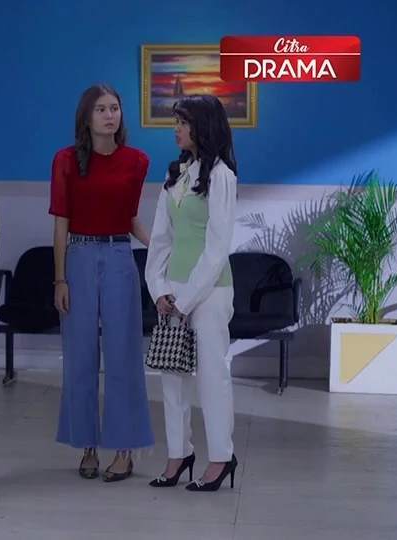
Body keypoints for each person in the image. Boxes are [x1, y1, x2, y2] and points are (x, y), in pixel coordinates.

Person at [49, 84, 154, 482]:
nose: (110, 115)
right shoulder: (65, 160)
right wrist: (59, 279)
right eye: (101, 109)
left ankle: (125, 449)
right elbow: (60, 223)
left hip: (118, 256)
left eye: (115, 108)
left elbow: (130, 218)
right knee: (80, 358)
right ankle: (87, 446)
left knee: (123, 356)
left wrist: (161, 248)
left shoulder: (137, 161)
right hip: (77, 258)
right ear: (86, 117)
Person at [144, 94, 239, 492]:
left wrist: (185, 301)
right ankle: (178, 454)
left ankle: (220, 457)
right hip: (174, 290)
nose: (176, 129)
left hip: (210, 292)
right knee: (171, 375)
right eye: (176, 122)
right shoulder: (177, 176)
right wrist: (160, 289)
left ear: (203, 126)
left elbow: (217, 248)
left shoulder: (221, 177)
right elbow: (160, 240)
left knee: (212, 376)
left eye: (182, 122)